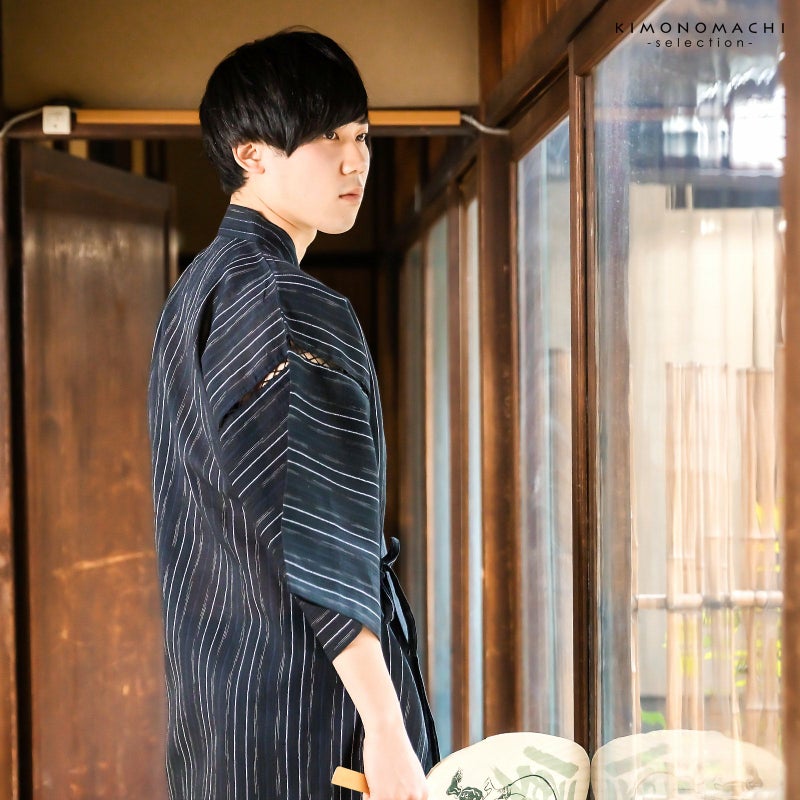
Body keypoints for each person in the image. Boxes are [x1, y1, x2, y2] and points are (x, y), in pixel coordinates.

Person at [148, 29, 438, 800]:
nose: (355, 160)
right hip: (309, 723)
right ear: (251, 154)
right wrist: (387, 730)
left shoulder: (198, 289)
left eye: (361, 135)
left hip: (228, 711)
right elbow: (320, 538)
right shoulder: (286, 300)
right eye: (325, 138)